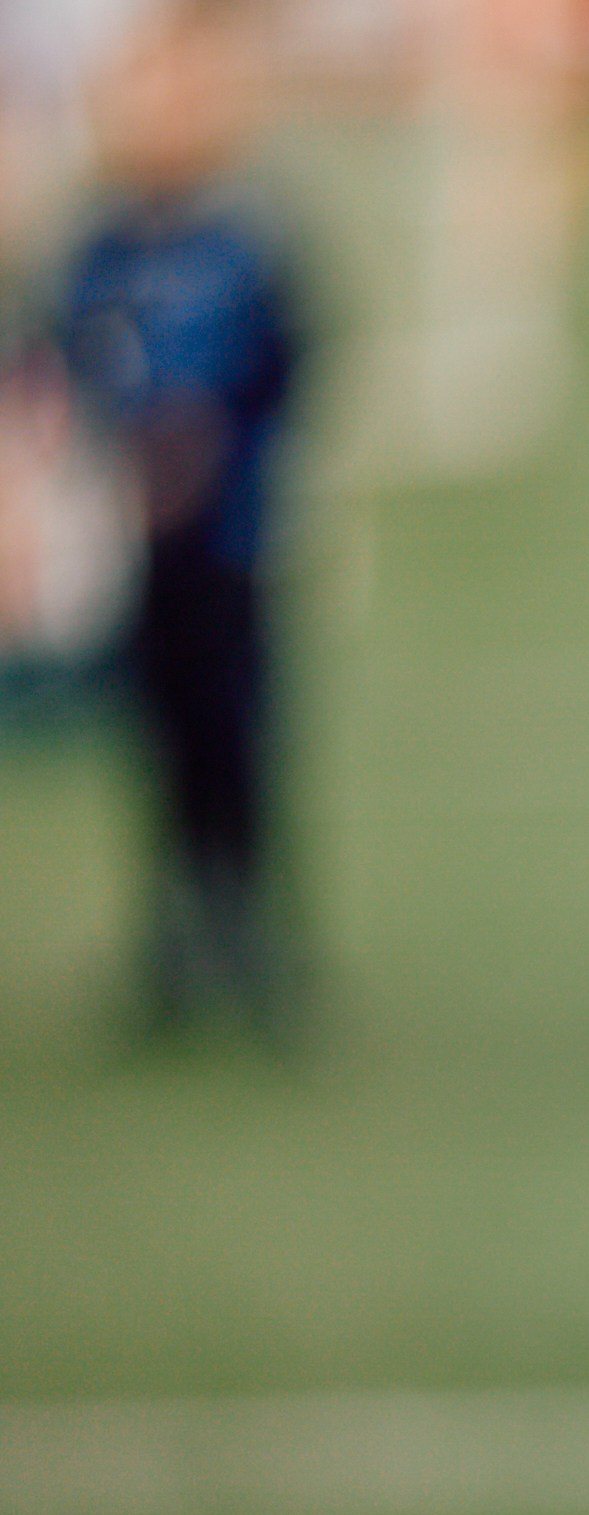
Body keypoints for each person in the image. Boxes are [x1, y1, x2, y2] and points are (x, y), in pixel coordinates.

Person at [60, 6, 301, 1032]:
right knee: (157, 748)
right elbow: (70, 362)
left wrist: (209, 445)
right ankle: (170, 941)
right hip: (139, 547)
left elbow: (287, 363)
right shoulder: (97, 248)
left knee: (239, 742)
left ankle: (249, 931)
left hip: (234, 540)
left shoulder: (246, 244)